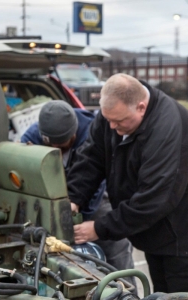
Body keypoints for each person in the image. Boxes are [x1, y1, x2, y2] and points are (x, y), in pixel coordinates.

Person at [65, 73, 188, 294]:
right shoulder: (113, 115)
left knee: (186, 295)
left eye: (118, 121)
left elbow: (155, 198)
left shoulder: (168, 129)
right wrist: (73, 198)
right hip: (159, 228)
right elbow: (91, 157)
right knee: (161, 293)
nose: (111, 126)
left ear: (141, 107)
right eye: (107, 119)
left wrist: (100, 228)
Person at [20, 100, 136, 289]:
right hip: (52, 196)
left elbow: (96, 181)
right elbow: (21, 166)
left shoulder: (92, 131)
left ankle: (127, 290)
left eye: (62, 144)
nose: (57, 149)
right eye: (52, 144)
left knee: (115, 245)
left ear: (73, 134)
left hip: (94, 194)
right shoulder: (34, 135)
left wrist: (84, 222)